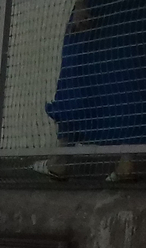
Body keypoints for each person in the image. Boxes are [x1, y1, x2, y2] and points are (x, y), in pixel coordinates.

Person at [36, 0, 146, 181]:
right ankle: (128, 160)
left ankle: (61, 158)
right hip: (134, 9)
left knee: (78, 71)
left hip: (99, 8)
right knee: (129, 71)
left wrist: (81, 4)